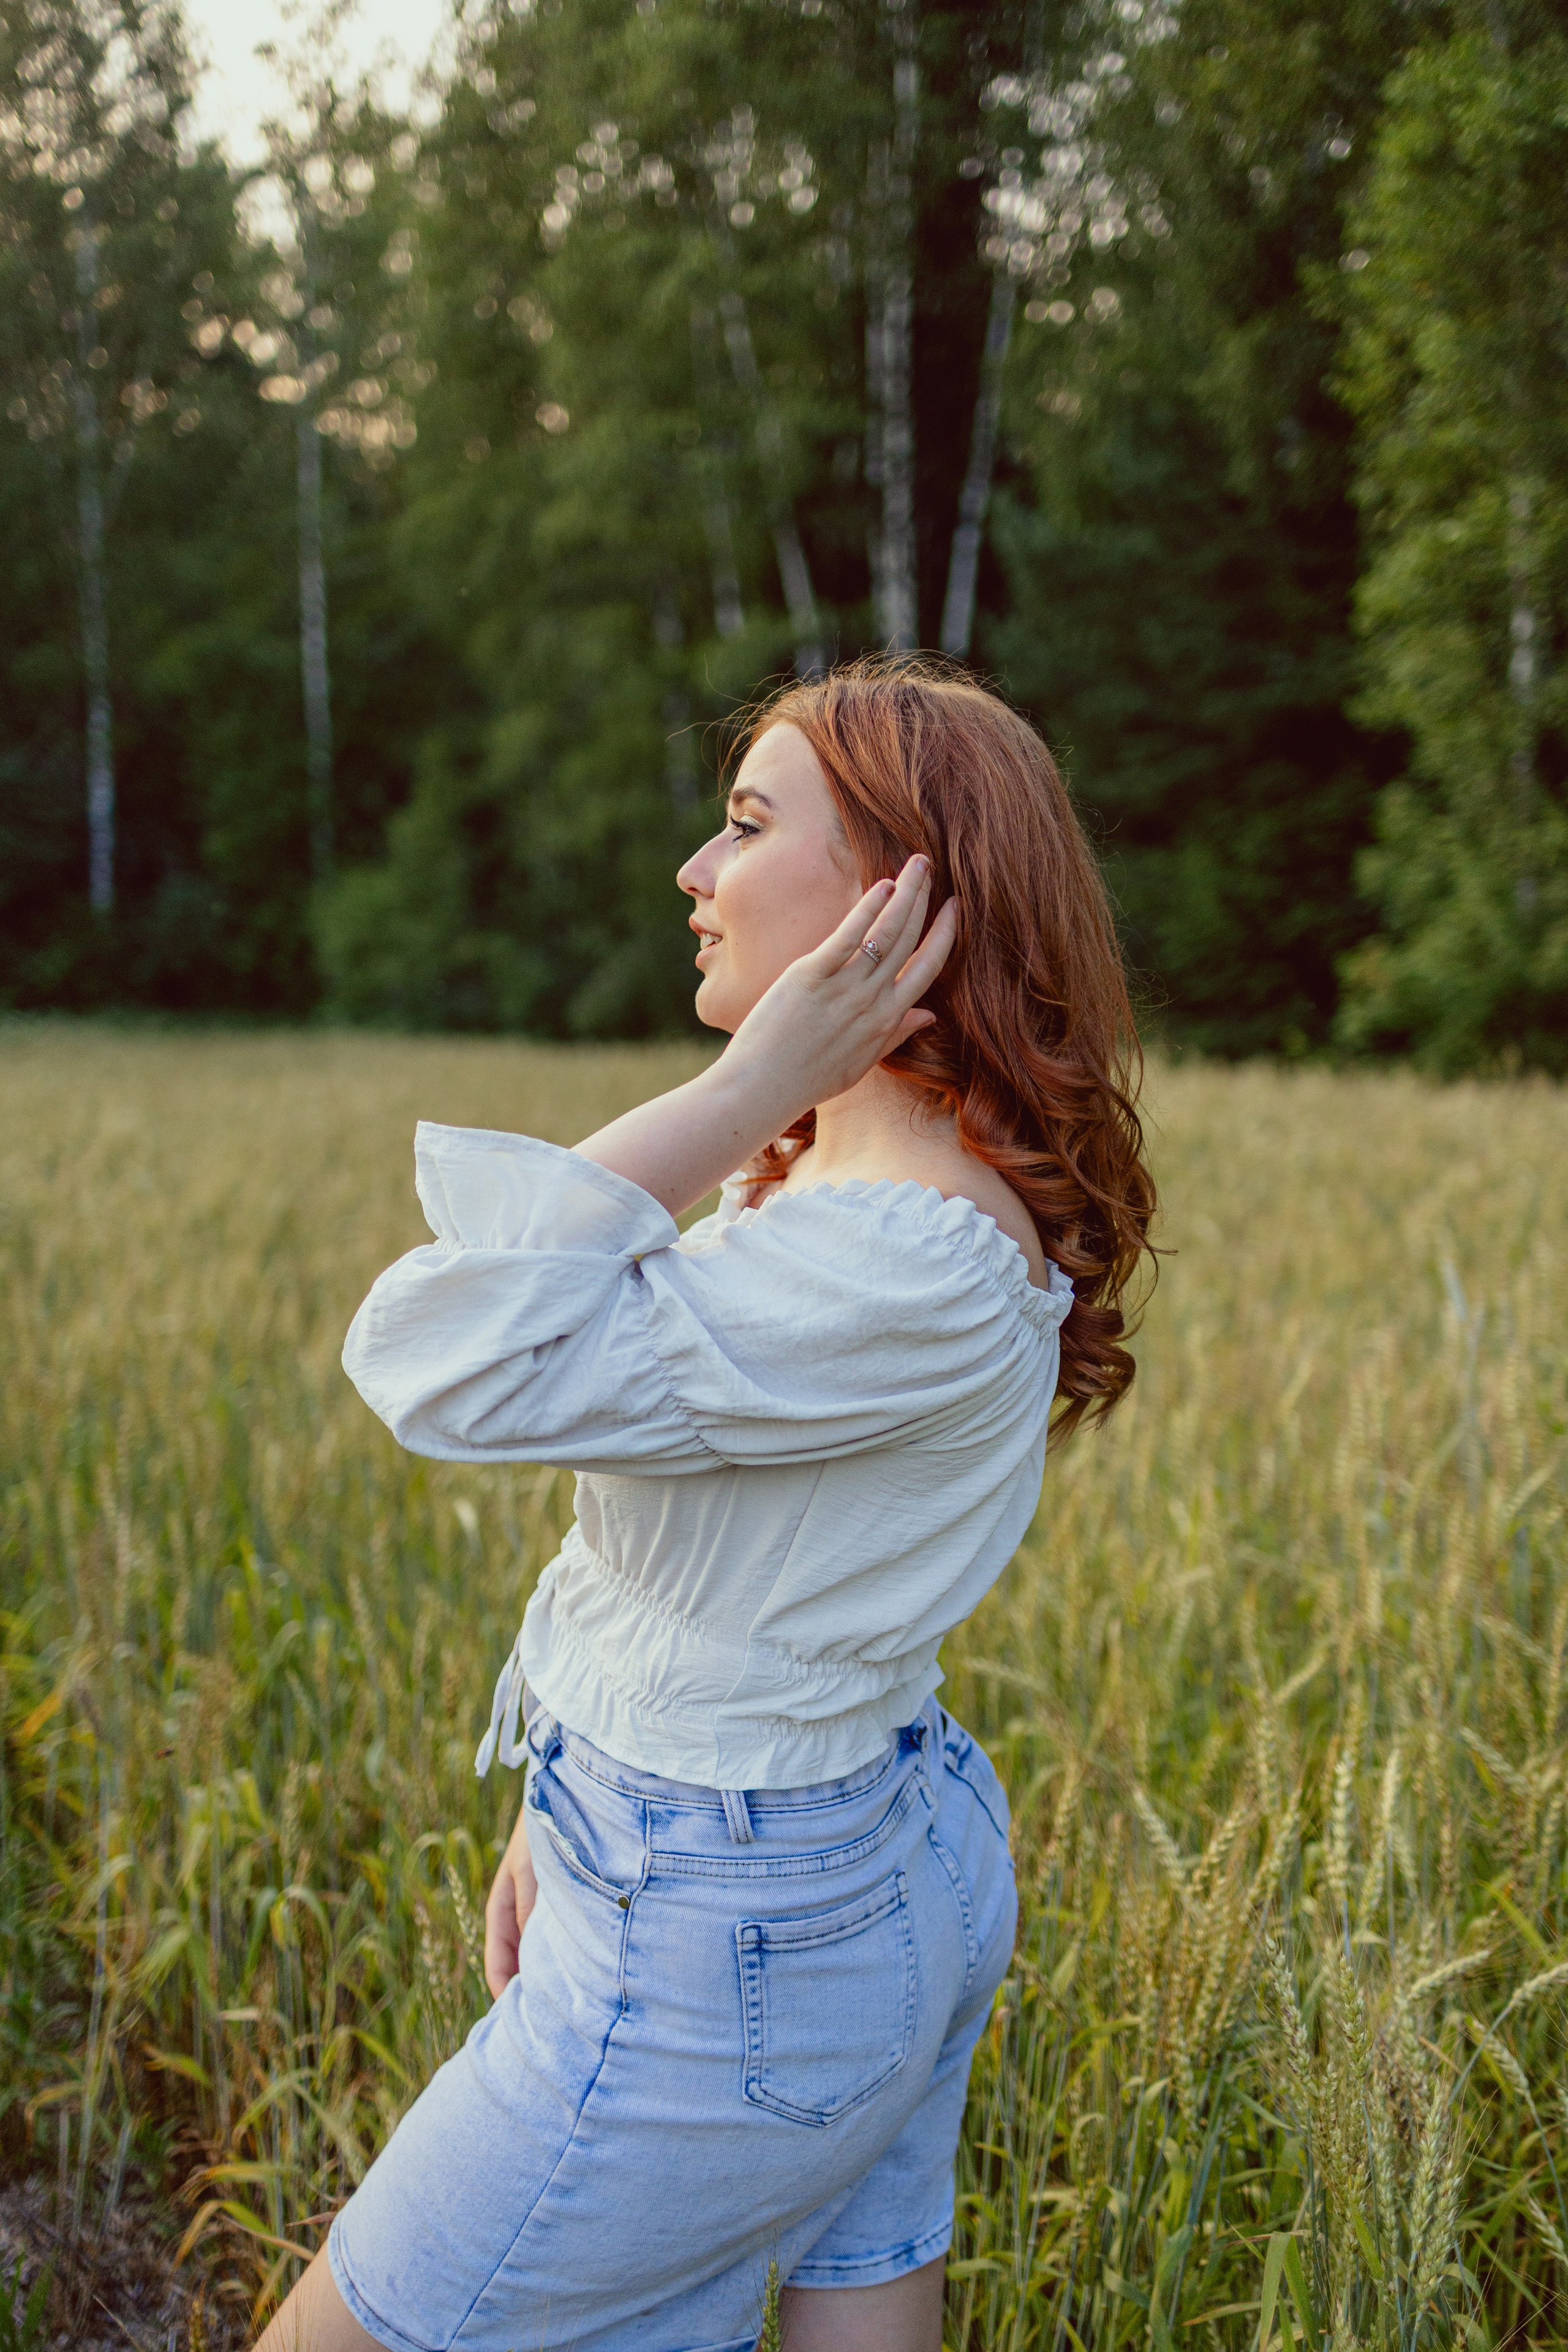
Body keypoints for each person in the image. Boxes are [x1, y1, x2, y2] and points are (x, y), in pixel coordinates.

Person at [252, 657, 1155, 2352]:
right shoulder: (857, 1181)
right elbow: (716, 1591)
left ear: (902, 906)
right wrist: (570, 1796)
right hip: (830, 1845)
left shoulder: (894, 1256)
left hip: (739, 1916)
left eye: (743, 825)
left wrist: (738, 1089)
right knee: (861, 2301)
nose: (693, 871)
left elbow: (442, 1353)